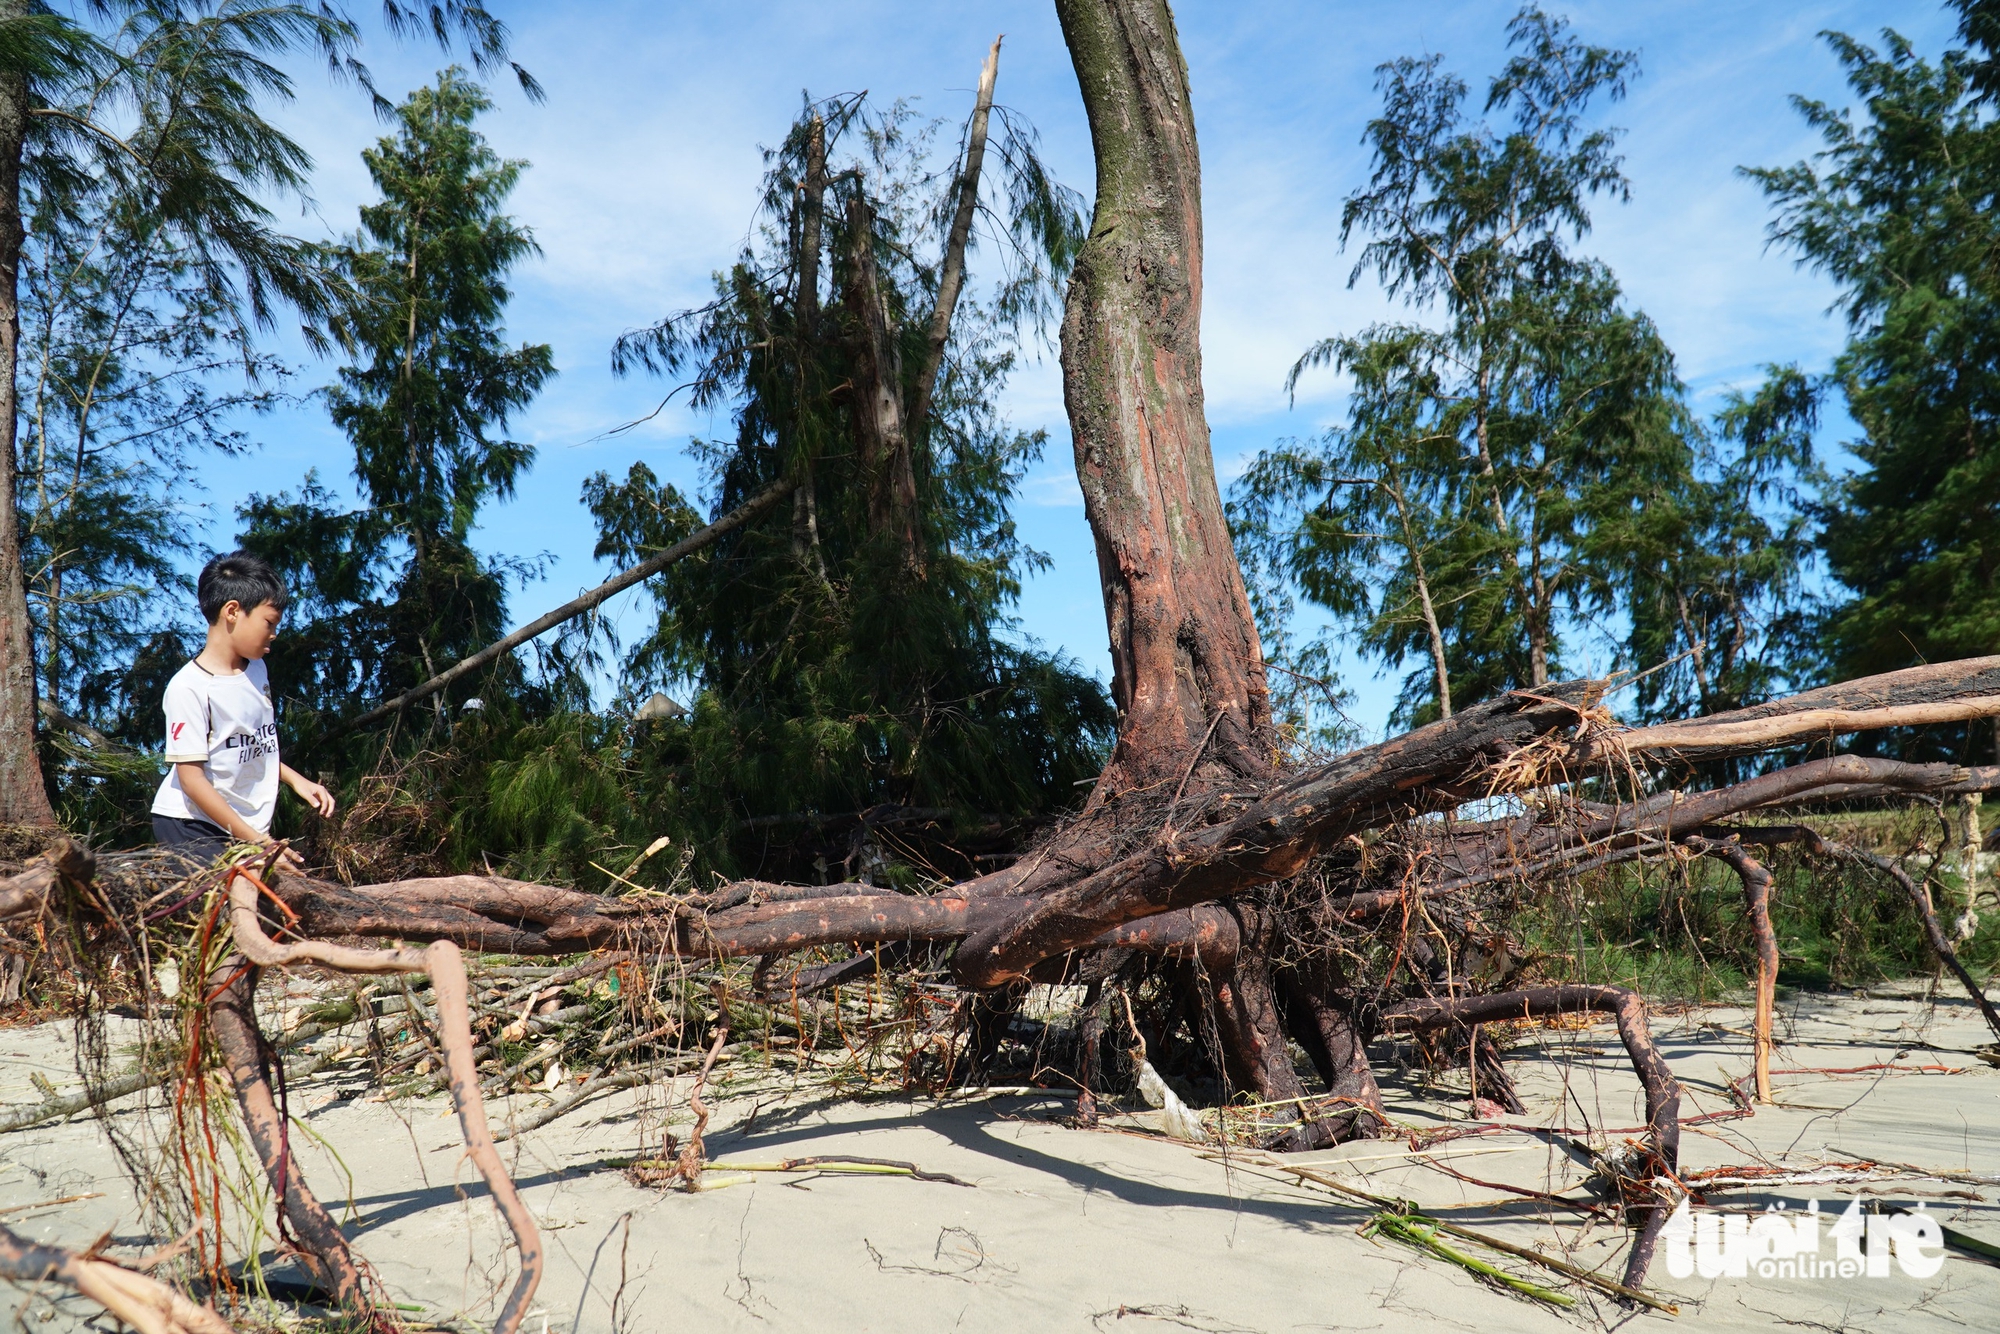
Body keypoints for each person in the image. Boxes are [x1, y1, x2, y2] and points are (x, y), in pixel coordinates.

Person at [150, 552, 336, 868]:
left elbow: (250, 745)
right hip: (190, 826)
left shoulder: (257, 670)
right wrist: (261, 843)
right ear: (233, 611)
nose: (274, 633)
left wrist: (296, 781)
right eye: (269, 622)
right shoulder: (189, 688)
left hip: (241, 831)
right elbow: (192, 780)